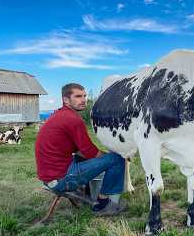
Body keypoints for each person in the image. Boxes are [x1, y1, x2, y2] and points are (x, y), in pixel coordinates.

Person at [35, 83, 127, 216]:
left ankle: (89, 192)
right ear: (66, 100)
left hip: (48, 178)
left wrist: (101, 159)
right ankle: (103, 205)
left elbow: (79, 150)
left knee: (86, 157)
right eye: (78, 96)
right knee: (117, 159)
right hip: (62, 180)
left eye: (84, 96)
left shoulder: (58, 115)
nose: (83, 100)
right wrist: (108, 157)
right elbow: (91, 152)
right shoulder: (73, 120)